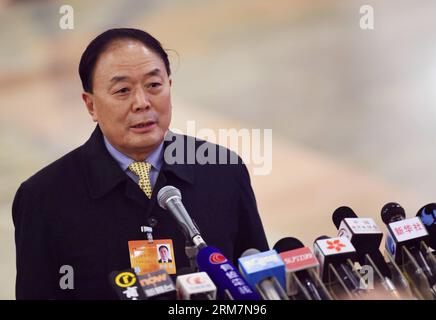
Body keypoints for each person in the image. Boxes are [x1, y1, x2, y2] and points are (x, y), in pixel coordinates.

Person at [12, 28, 269, 300]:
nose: (142, 103)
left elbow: (258, 276)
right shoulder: (43, 198)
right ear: (91, 106)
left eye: (154, 85)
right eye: (122, 90)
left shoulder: (223, 170)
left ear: (170, 85)